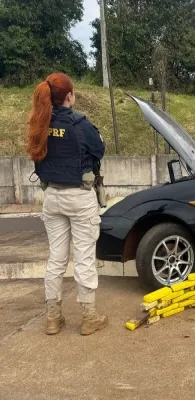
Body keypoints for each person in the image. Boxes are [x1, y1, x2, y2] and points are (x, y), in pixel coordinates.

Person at [26, 73, 108, 336]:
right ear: (69, 96)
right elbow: (100, 149)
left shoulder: (40, 124)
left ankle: (53, 317)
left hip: (52, 196)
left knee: (56, 258)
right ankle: (89, 317)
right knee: (84, 257)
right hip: (80, 197)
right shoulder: (80, 124)